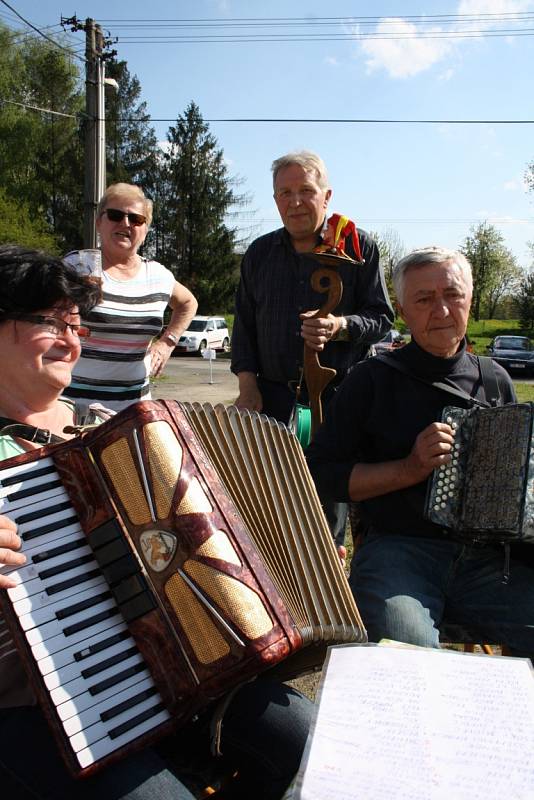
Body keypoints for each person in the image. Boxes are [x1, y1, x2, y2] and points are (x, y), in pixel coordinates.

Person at [0, 246, 311, 799]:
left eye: (77, 325)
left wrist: (291, 560)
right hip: (42, 706)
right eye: (51, 323)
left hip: (175, 672)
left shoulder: (113, 429)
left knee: (310, 741)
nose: (72, 340)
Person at [306, 245, 534, 657]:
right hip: (398, 552)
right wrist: (409, 469)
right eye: (424, 299)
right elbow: (322, 474)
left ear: (471, 298)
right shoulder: (369, 380)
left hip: (488, 560)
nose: (442, 310)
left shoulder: (494, 379)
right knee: (403, 653)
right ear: (402, 311)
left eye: (453, 295)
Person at [231, 150, 394, 547]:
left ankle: (326, 594)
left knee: (327, 508)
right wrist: (247, 386)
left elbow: (382, 318)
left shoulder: (357, 247)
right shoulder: (259, 253)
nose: (295, 201)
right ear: (274, 201)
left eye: (306, 190)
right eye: (284, 193)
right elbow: (245, 327)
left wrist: (340, 326)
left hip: (338, 400)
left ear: (327, 195)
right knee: (270, 506)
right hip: (271, 398)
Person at [63, 182, 198, 412]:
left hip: (134, 412)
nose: (125, 223)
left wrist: (167, 343)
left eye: (136, 219)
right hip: (74, 409)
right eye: (115, 215)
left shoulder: (158, 275)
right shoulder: (77, 265)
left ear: (145, 231)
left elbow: (188, 302)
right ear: (99, 222)